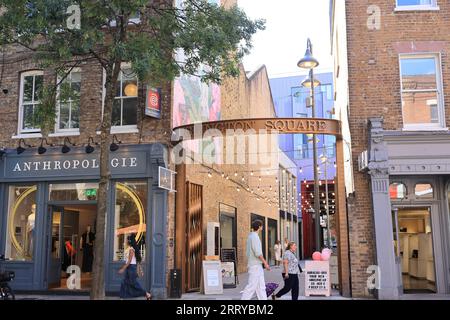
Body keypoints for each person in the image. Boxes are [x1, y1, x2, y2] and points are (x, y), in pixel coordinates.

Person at [241, 220, 271, 300]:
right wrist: (265, 263)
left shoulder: (251, 236)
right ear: (259, 227)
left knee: (261, 287)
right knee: (252, 286)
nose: (262, 227)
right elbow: (258, 253)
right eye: (262, 226)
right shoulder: (254, 237)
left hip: (255, 265)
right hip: (255, 266)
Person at [119, 234, 152, 300]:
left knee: (133, 284)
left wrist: (123, 268)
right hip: (130, 268)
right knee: (124, 282)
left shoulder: (131, 249)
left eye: (127, 240)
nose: (126, 241)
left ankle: (146, 294)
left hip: (131, 268)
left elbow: (129, 261)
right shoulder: (131, 249)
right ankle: (122, 297)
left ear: (130, 241)